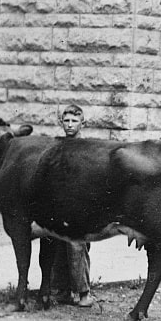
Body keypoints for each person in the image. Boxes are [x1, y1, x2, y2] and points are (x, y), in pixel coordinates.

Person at [49, 105, 94, 308]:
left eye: (74, 121)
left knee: (77, 246)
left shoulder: (87, 149)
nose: (69, 125)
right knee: (57, 246)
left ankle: (83, 292)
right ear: (61, 123)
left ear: (82, 123)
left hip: (80, 204)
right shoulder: (58, 146)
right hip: (58, 204)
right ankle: (61, 292)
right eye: (66, 121)